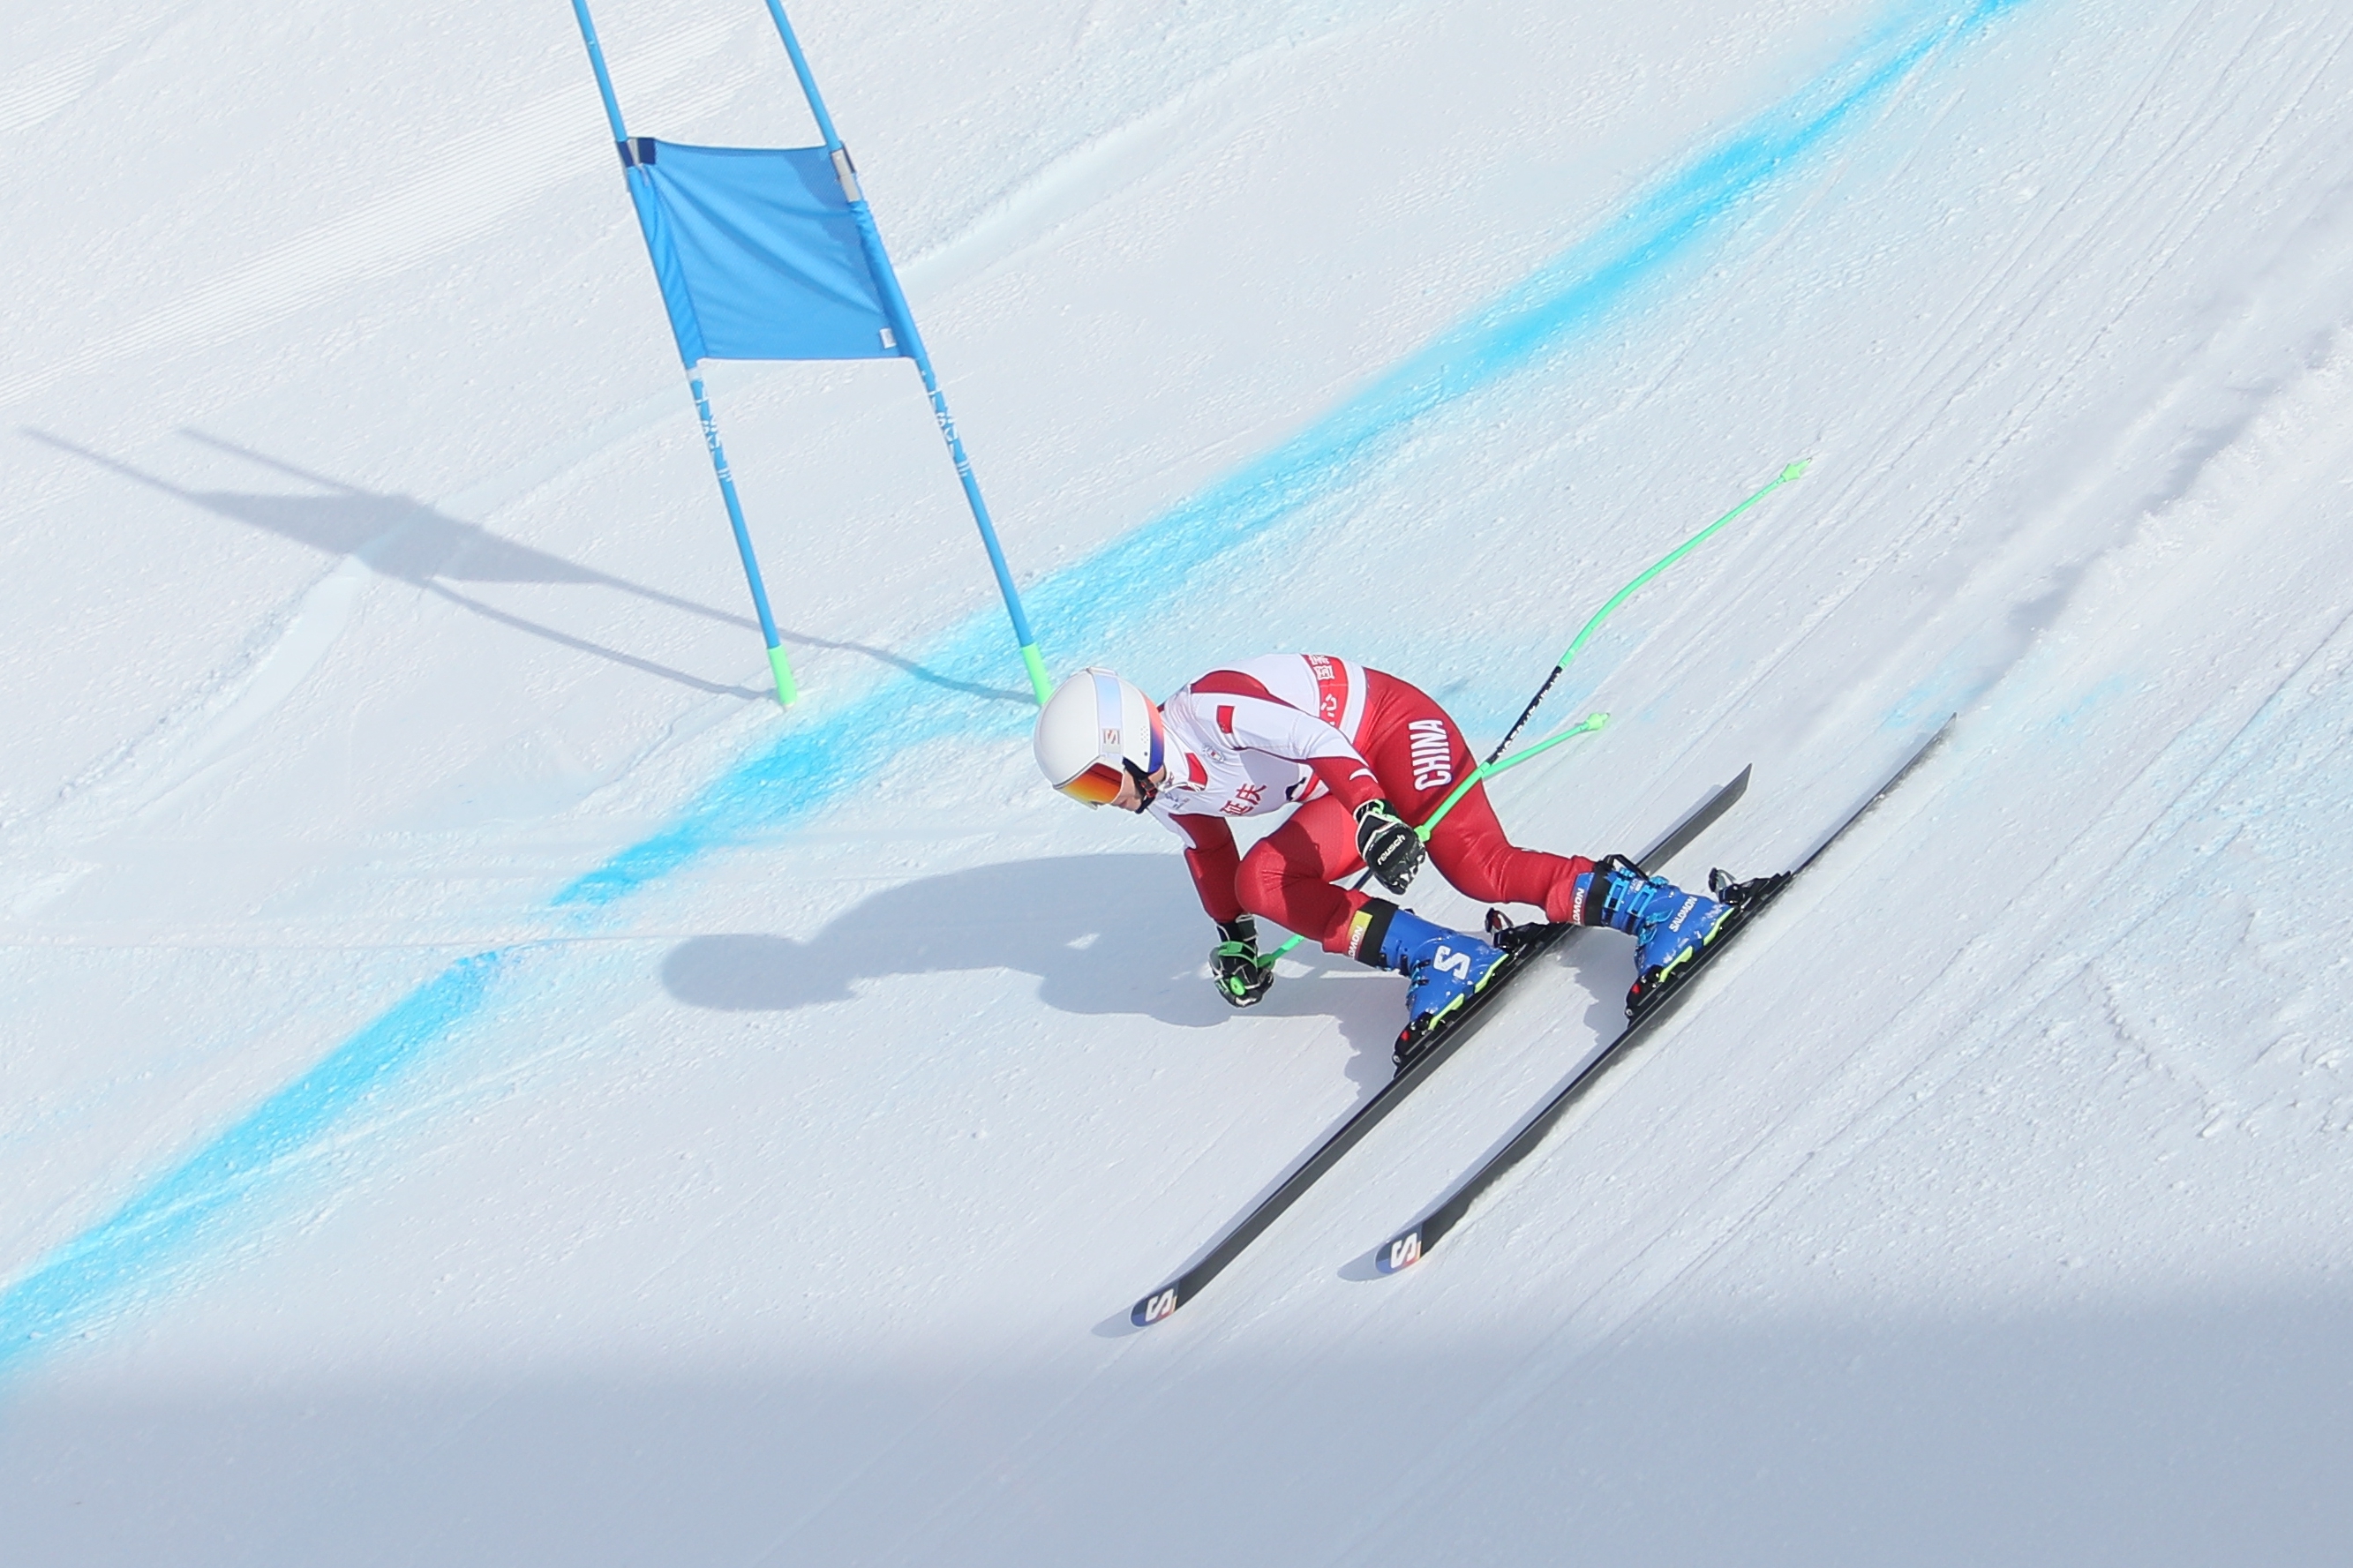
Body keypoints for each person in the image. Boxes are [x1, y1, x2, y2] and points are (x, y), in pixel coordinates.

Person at [1033, 656, 1733, 1055]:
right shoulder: (1168, 792)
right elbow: (1211, 853)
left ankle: (1660, 907)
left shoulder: (1210, 711)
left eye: (1098, 779)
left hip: (1390, 728)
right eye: (1081, 795)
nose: (1104, 802)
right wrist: (1235, 941)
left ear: (1130, 738)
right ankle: (1443, 958)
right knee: (1261, 879)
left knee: (1475, 865)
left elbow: (1318, 743)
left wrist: (1371, 813)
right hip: (1349, 782)